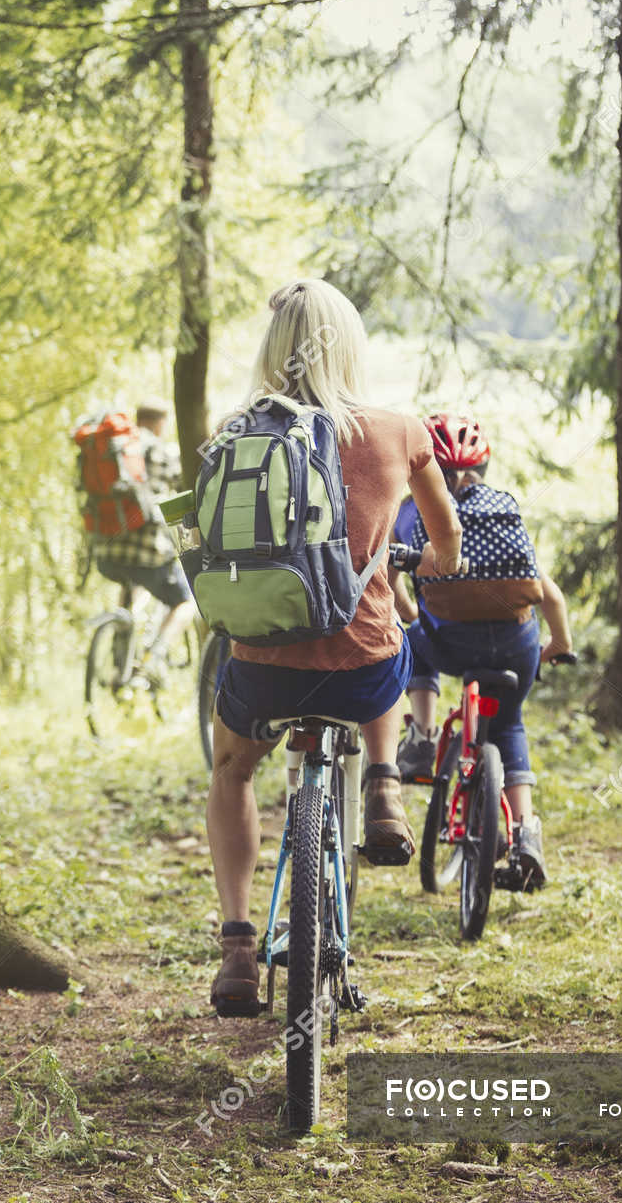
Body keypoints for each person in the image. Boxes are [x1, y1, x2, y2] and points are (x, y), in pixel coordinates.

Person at [206, 280, 463, 1017]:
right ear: (350, 346)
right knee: (398, 642)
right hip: (362, 674)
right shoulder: (399, 431)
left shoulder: (234, 434)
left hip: (261, 673)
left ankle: (235, 945)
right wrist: (429, 565)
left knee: (230, 770)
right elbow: (442, 541)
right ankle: (383, 782)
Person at [391, 414, 575, 891]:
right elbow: (548, 593)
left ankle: (424, 735)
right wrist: (558, 645)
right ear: (483, 468)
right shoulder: (504, 509)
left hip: (452, 644)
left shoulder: (412, 512)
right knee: (509, 723)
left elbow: (392, 582)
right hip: (516, 646)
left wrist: (414, 614)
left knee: (414, 643)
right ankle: (525, 834)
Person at [90, 398, 198, 674]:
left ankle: (120, 653)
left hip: (105, 553)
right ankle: (151, 662)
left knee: (130, 582)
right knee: (185, 603)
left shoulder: (115, 450)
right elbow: (184, 489)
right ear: (161, 423)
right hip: (148, 555)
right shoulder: (162, 451)